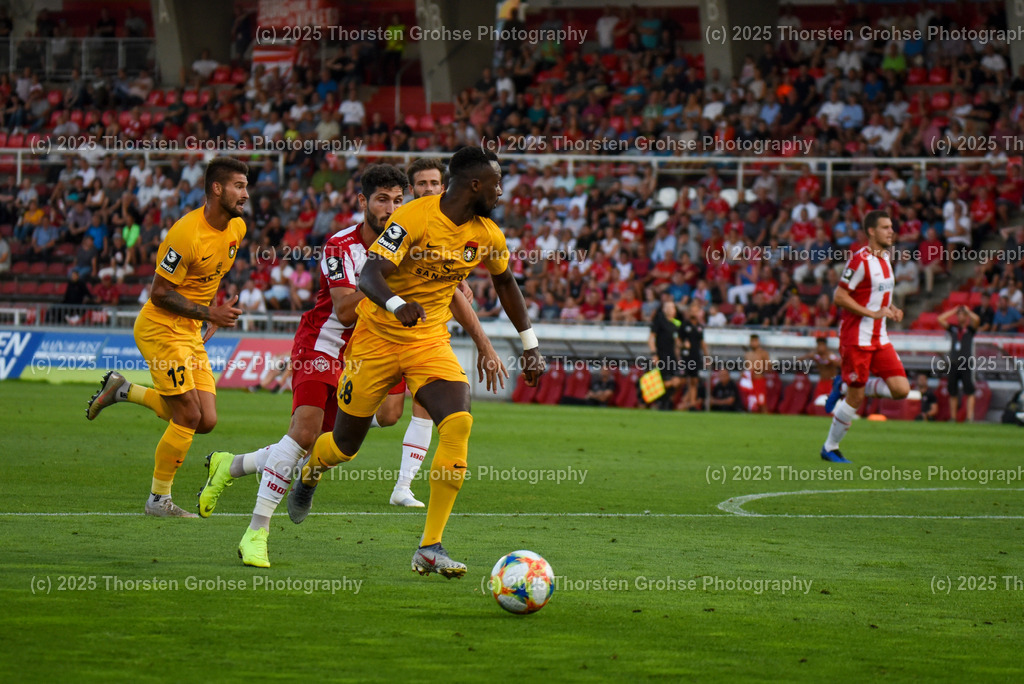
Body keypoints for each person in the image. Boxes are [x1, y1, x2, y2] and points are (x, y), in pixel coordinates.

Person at [196, 163, 505, 567]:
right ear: (363, 202)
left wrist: (468, 320)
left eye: (399, 200)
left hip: (378, 349)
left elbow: (451, 295)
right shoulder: (341, 245)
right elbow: (343, 310)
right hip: (325, 345)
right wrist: (398, 291)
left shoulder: (419, 235)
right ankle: (257, 531)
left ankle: (234, 464)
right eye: (382, 200)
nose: (392, 209)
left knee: (373, 425)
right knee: (305, 432)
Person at [287, 147, 544, 579]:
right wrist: (395, 302)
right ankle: (311, 473)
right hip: (375, 340)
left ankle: (430, 546)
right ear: (475, 185)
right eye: (497, 183)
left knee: (459, 421)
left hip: (428, 342)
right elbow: (370, 274)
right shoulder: (414, 218)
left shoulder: (487, 234)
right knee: (344, 446)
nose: (501, 192)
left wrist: (530, 344)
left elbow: (504, 282)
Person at [85, 157, 249, 517]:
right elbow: (159, 292)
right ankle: (158, 500)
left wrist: (211, 314)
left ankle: (123, 390)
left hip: (189, 329)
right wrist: (209, 312)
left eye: (246, 186)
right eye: (238, 186)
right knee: (187, 414)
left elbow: (207, 278)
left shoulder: (237, 229)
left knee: (206, 420)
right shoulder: (184, 234)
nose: (245, 194)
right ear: (216, 189)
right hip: (160, 328)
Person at [821, 211, 912, 462]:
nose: (891, 231)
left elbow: (879, 294)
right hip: (856, 338)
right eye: (885, 227)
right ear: (871, 231)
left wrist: (892, 309)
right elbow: (840, 297)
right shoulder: (859, 260)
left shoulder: (885, 259)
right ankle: (830, 447)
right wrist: (871, 313)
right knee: (856, 398)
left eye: (892, 226)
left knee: (901, 390)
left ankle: (844, 384)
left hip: (879, 338)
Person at [938, 305, 980, 423]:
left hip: (966, 363)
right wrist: (953, 310)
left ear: (966, 316)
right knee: (952, 390)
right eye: (959, 314)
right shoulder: (954, 329)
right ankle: (953, 417)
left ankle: (969, 417)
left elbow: (977, 320)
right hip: (954, 362)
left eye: (962, 314)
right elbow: (940, 319)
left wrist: (968, 311)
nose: (960, 316)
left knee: (969, 390)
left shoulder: (970, 330)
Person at [647, 300, 683, 410]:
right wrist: (654, 354)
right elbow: (651, 338)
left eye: (672, 307)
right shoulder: (659, 321)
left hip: (672, 357)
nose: (670, 310)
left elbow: (677, 343)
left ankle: (663, 401)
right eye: (667, 307)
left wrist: (679, 357)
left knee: (677, 381)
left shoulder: (676, 324)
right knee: (666, 381)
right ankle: (662, 403)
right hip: (662, 356)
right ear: (663, 309)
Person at [677, 302, 708, 410]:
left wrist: (707, 356)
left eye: (696, 310)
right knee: (683, 381)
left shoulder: (700, 327)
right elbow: (678, 341)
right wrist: (682, 346)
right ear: (689, 312)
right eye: (692, 310)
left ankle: (691, 404)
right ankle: (679, 401)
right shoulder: (684, 325)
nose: (694, 312)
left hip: (696, 356)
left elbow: (702, 342)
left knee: (694, 380)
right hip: (686, 357)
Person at [799, 336, 841, 406]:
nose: (820, 347)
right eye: (818, 345)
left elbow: (839, 364)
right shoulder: (816, 356)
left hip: (831, 383)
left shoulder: (830, 355)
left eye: (822, 345)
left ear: (825, 346)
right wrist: (808, 356)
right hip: (821, 382)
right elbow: (799, 360)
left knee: (831, 403)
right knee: (817, 402)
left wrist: (831, 362)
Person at [739, 333, 771, 413]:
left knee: (762, 403)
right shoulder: (747, 354)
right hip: (750, 383)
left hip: (759, 381)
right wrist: (743, 373)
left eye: (755, 341)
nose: (753, 343)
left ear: (758, 342)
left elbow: (769, 368)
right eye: (752, 341)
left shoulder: (763, 353)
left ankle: (767, 422)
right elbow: (746, 367)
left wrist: (759, 369)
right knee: (751, 405)